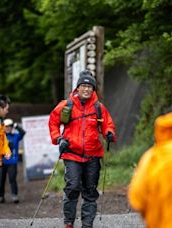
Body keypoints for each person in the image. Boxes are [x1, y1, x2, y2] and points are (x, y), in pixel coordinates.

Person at [48, 70, 116, 228]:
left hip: (93, 155)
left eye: (89, 86)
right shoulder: (67, 104)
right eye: (83, 86)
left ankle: (87, 224)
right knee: (72, 188)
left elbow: (108, 124)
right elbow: (53, 121)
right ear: (78, 88)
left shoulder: (99, 107)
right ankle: (68, 222)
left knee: (90, 191)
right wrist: (58, 138)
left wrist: (109, 134)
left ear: (93, 89)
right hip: (72, 154)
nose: (86, 89)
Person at [0, 118, 25, 204]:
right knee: (1, 180)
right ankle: (0, 197)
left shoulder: (15, 136)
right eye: (6, 127)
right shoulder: (1, 136)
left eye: (10, 126)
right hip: (2, 162)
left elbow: (23, 133)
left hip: (12, 162)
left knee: (12, 179)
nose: (8, 128)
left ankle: (14, 195)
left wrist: (16, 126)